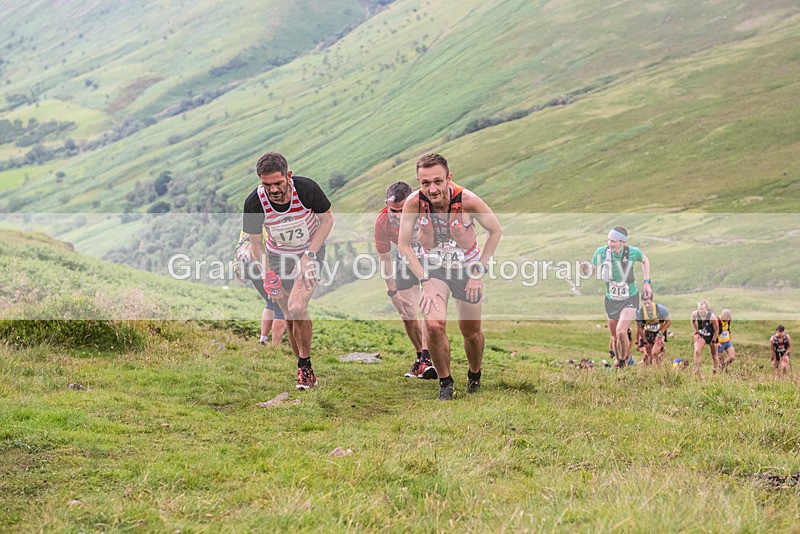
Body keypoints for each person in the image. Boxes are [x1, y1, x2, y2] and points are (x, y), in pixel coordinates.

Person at [397, 153, 502, 400]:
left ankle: (474, 375)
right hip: (434, 270)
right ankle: (445, 382)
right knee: (434, 326)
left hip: (466, 269)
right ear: (419, 182)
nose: (432, 189)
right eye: (425, 183)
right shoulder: (414, 203)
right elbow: (404, 245)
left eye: (438, 181)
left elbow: (495, 230)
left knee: (471, 332)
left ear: (448, 178)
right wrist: (425, 280)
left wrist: (478, 272)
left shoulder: (468, 201)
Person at [242, 152, 333, 390]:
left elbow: (327, 221)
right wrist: (268, 275)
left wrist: (309, 255)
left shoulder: (306, 189)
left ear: (288, 175)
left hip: (310, 250)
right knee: (287, 313)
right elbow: (256, 245)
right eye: (267, 184)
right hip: (276, 256)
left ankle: (304, 366)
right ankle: (304, 369)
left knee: (297, 307)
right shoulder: (254, 203)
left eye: (278, 183)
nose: (273, 189)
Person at [374, 181, 434, 379]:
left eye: (403, 210)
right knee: (406, 310)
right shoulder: (383, 221)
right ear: (387, 204)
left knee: (428, 307)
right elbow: (384, 258)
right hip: (404, 257)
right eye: (394, 211)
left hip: (431, 256)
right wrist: (392, 292)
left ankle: (427, 357)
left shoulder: (426, 211)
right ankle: (421, 357)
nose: (399, 216)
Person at [580, 227, 651, 368]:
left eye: (613, 241)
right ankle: (619, 361)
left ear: (622, 242)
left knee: (621, 331)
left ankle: (623, 361)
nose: (610, 244)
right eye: (608, 240)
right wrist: (585, 269)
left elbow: (645, 260)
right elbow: (591, 272)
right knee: (615, 337)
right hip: (611, 299)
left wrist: (647, 282)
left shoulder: (632, 252)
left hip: (629, 298)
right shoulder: (601, 252)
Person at [234, 230, 287, 346]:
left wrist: (236, 268)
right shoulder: (267, 224)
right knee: (282, 306)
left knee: (270, 303)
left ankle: (263, 339)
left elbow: (240, 244)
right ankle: (274, 346)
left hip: (249, 269)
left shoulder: (248, 224)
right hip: (265, 268)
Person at [635, 294, 671, 366]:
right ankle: (654, 368)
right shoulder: (640, 312)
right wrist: (645, 341)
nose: (647, 305)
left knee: (655, 352)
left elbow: (669, 321)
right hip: (648, 333)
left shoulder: (660, 309)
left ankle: (659, 369)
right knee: (649, 356)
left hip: (660, 332)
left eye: (648, 303)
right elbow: (639, 328)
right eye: (645, 303)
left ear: (652, 300)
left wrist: (660, 334)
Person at [691, 300, 719, 373]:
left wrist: (713, 340)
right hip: (702, 335)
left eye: (702, 309)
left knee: (714, 354)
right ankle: (696, 371)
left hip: (711, 336)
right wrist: (696, 332)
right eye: (699, 309)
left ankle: (715, 371)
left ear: (706, 309)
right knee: (697, 351)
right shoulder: (695, 314)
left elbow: (717, 329)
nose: (700, 311)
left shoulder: (712, 317)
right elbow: (692, 321)